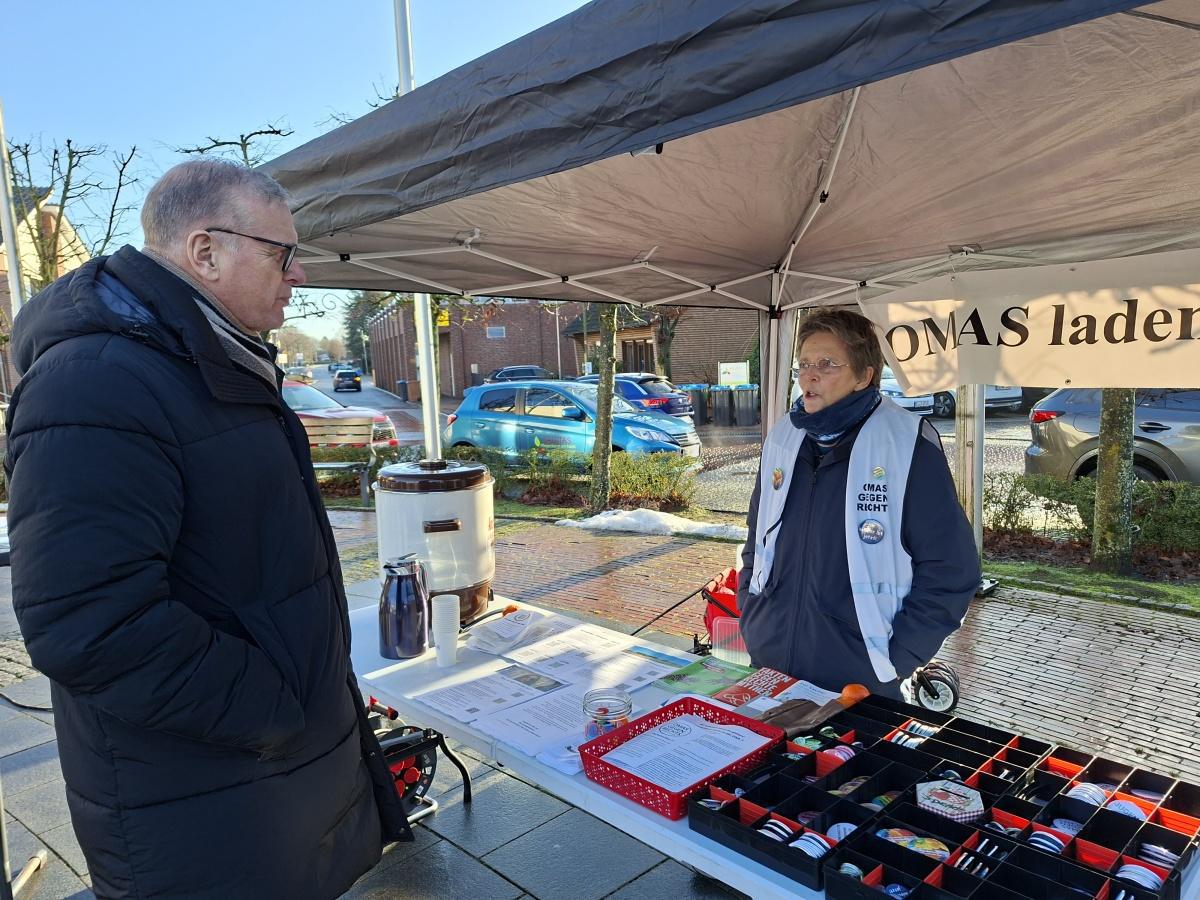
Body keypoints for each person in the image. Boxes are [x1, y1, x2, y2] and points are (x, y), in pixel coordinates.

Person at [5, 159, 410, 899]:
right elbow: (87, 623)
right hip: (205, 800)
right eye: (282, 253)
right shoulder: (97, 379)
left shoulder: (209, 360)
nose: (300, 275)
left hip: (258, 788)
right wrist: (275, 706)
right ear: (205, 252)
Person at [737, 309, 979, 700]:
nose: (809, 376)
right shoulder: (783, 439)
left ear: (864, 375)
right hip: (769, 659)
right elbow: (757, 538)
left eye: (827, 364)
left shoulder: (906, 444)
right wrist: (753, 616)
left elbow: (952, 569)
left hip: (861, 676)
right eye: (804, 364)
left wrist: (899, 656)